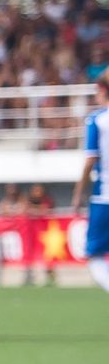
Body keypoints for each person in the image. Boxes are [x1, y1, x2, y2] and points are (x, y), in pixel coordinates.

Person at [72, 73, 109, 294]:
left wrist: (78, 193)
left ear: (102, 90)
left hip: (104, 197)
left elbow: (90, 161)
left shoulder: (97, 120)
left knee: (95, 257)